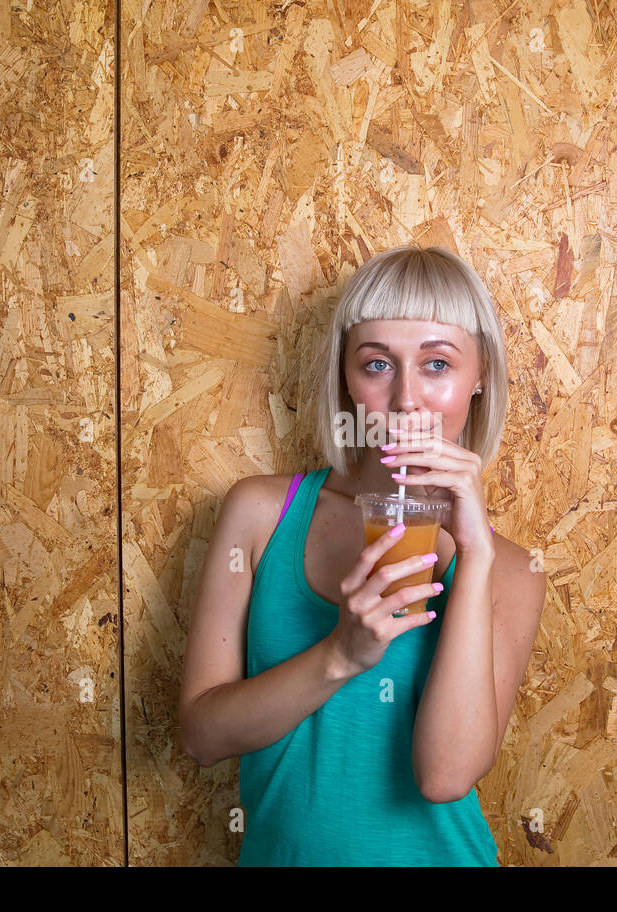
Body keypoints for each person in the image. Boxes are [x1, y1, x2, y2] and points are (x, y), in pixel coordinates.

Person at [179, 244, 546, 865]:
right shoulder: (262, 516)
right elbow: (201, 737)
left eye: (437, 364)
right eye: (377, 365)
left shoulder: (507, 568)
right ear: (346, 380)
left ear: (479, 377)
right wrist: (340, 655)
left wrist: (475, 558)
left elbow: (445, 777)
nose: (406, 400)